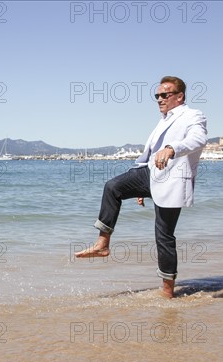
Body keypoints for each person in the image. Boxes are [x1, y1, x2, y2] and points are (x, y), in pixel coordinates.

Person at [75, 76, 207, 298]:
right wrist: (140, 186)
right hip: (149, 174)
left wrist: (172, 148)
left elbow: (199, 139)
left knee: (164, 236)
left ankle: (167, 292)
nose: (159, 99)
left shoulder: (193, 115)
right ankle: (102, 243)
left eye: (165, 95)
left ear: (179, 96)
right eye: (157, 96)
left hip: (173, 180)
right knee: (113, 187)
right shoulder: (163, 120)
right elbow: (149, 155)